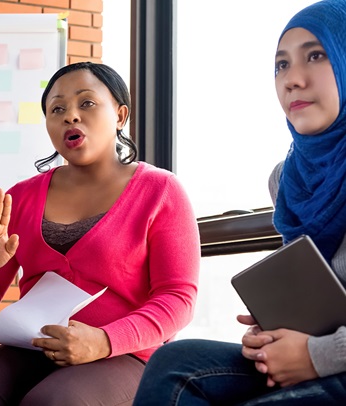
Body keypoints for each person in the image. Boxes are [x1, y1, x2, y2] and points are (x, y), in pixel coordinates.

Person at [0, 62, 200, 405]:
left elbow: (178, 299)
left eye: (86, 103)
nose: (70, 115)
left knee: (53, 403)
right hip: (32, 348)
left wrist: (102, 341)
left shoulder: (160, 190)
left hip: (125, 355)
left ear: (120, 114)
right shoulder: (21, 197)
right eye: (57, 109)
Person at [133, 0, 346, 404]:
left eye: (315, 56)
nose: (292, 80)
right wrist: (273, 333)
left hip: (332, 359)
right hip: (319, 352)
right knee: (173, 364)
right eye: (281, 64)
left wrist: (315, 356)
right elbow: (312, 288)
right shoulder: (290, 178)